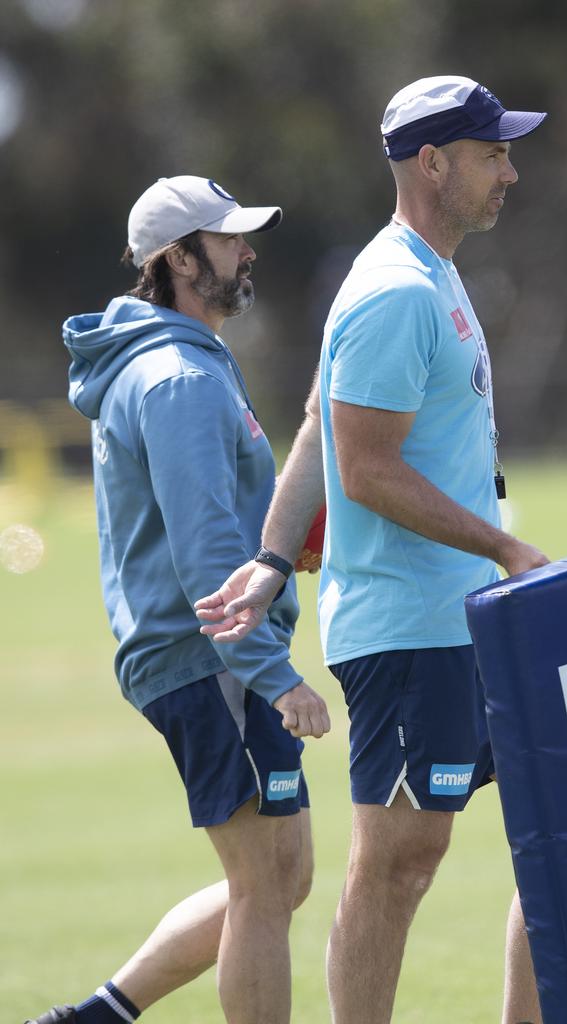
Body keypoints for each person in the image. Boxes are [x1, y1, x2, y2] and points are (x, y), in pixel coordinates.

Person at [196, 76, 549, 1024]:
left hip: (466, 611)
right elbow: (367, 469)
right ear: (432, 163)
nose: (509, 172)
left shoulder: (433, 267)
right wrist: (506, 546)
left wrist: (272, 555)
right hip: (409, 625)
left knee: (551, 842)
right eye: (493, 154)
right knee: (397, 866)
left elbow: (315, 421)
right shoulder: (395, 289)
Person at [26, 175, 330, 1024]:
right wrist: (275, 676)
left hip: (203, 653)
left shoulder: (182, 364)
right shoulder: (176, 379)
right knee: (265, 886)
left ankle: (99, 1017)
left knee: (282, 876)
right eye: (229, 240)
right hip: (211, 657)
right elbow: (204, 557)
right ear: (178, 259)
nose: (248, 252)